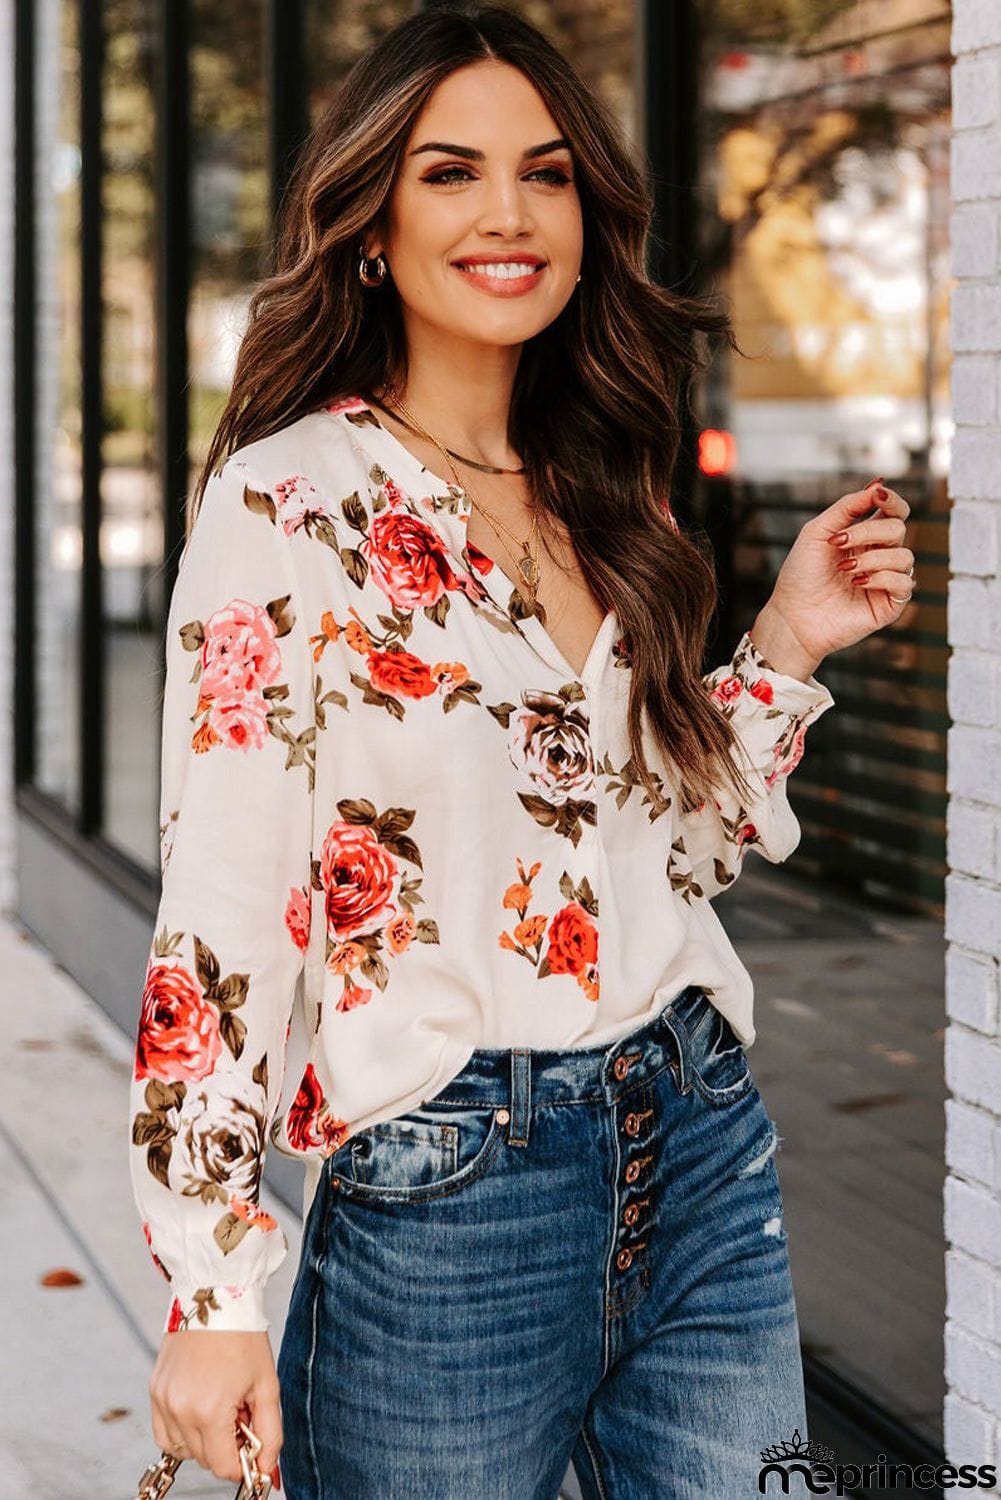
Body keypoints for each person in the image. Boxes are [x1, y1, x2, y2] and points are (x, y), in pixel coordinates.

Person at [127, 5, 915, 1496]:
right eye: (451, 172)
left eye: (546, 173)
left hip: (696, 1144)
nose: (509, 214)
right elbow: (222, 908)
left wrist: (787, 645)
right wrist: (211, 1287)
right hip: (451, 1196)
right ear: (371, 225)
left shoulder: (609, 485)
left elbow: (663, 851)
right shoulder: (290, 503)